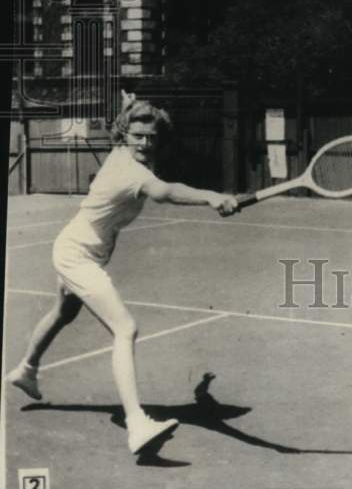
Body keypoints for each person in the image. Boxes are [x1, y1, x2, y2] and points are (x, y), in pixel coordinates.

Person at [5, 92, 239, 454]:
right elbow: (165, 191)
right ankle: (136, 424)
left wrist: (204, 386)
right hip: (77, 255)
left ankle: (26, 369)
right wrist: (210, 196)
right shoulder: (130, 171)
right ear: (123, 136)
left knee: (64, 312)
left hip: (79, 247)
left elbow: (133, 130)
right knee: (125, 328)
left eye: (152, 137)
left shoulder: (126, 157)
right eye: (138, 136)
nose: (145, 143)